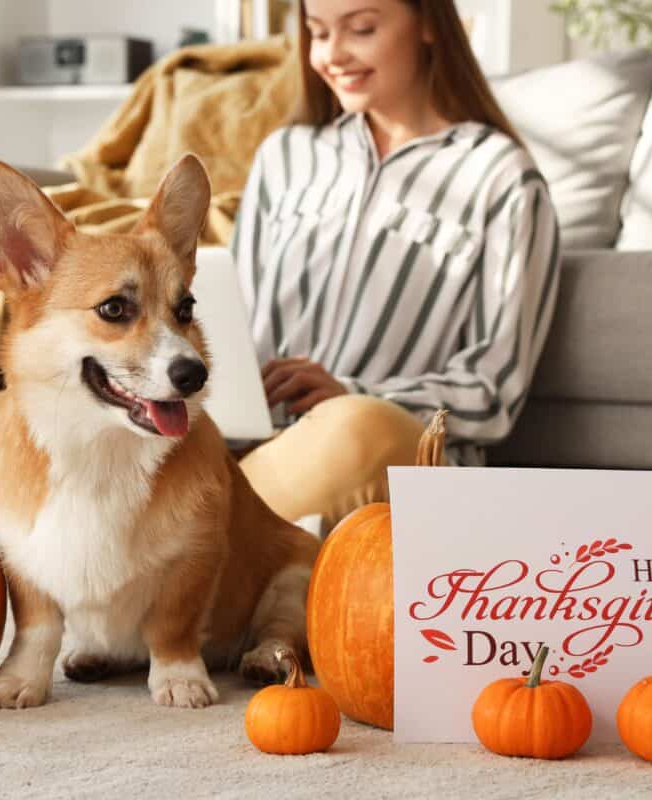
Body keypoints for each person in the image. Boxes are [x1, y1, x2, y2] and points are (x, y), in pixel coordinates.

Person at [233, 0, 561, 530]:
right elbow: (234, 325)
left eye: (361, 28)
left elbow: (494, 388)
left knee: (355, 427)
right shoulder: (285, 157)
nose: (333, 54)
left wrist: (353, 393)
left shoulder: (499, 176)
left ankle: (199, 560)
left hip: (396, 454)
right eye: (318, 33)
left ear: (429, 23)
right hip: (261, 455)